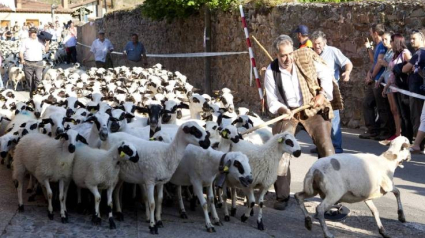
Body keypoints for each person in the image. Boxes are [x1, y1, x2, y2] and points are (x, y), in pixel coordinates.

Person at [264, 34, 343, 210]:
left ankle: (331, 195)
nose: (287, 58)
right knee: (281, 150)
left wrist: (322, 95)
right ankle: (282, 196)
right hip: (289, 113)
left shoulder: (305, 58)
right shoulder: (271, 71)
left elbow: (326, 75)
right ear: (277, 54)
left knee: (327, 148)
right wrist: (283, 110)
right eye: (283, 55)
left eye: (290, 54)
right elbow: (272, 100)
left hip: (311, 110)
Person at [310, 31, 353, 154]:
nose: (317, 46)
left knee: (333, 120)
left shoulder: (333, 51)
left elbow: (347, 63)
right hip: (316, 92)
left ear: (324, 42)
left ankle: (337, 149)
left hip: (331, 91)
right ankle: (321, 146)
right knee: (318, 121)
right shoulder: (310, 53)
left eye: (319, 43)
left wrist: (347, 72)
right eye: (314, 44)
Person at [360, 23, 392, 140]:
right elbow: (374, 61)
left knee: (381, 106)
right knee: (367, 103)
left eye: (371, 32)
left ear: (375, 33)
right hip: (375, 78)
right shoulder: (378, 45)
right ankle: (372, 130)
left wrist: (372, 76)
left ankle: (385, 131)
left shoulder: (382, 46)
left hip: (380, 79)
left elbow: (379, 62)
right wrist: (370, 73)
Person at [402, 29, 425, 141]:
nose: (411, 41)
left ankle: (418, 144)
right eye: (410, 38)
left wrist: (409, 67)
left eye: (414, 38)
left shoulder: (419, 53)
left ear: (422, 40)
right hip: (418, 89)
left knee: (417, 117)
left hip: (417, 90)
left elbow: (405, 68)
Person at [19, 27, 50, 99]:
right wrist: (22, 59)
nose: (34, 34)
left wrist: (47, 43)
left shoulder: (40, 41)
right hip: (28, 63)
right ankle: (31, 95)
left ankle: (36, 91)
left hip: (38, 63)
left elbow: (45, 50)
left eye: (35, 32)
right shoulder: (25, 41)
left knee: (39, 78)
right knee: (29, 80)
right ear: (29, 33)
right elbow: (21, 51)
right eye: (32, 33)